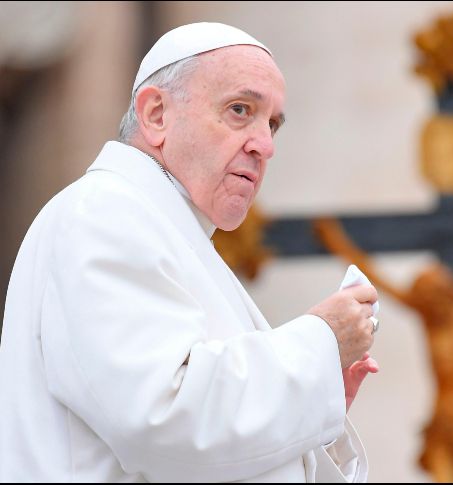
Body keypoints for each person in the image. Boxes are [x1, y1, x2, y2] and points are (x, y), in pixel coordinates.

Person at [0, 22, 380, 482]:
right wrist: (318, 345)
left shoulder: (166, 230)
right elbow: (163, 421)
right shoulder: (101, 215)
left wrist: (311, 392)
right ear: (157, 113)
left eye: (273, 124)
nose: (265, 146)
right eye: (240, 110)